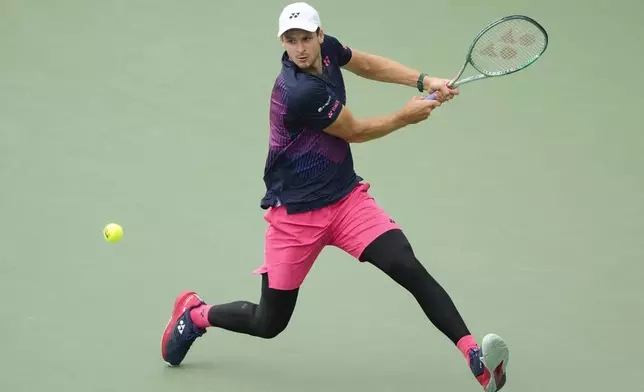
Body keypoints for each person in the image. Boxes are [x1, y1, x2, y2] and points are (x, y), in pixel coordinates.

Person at [161, 2, 509, 391]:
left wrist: (423, 80)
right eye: (291, 41)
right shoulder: (298, 91)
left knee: (406, 265)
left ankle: (475, 357)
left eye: (306, 38)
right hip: (295, 216)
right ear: (282, 42)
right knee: (268, 323)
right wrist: (405, 116)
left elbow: (367, 65)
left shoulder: (329, 53)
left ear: (320, 35)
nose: (300, 48)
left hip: (346, 201)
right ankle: (196, 315)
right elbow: (355, 131)